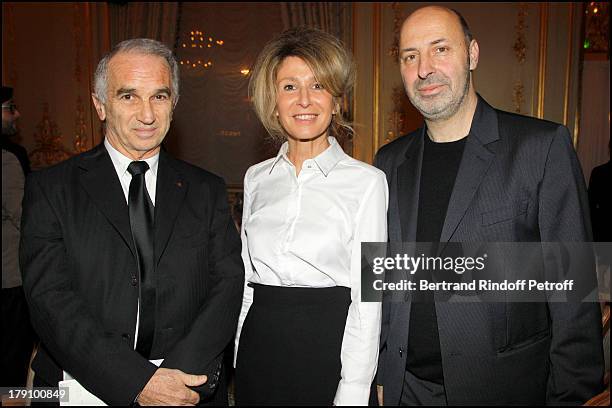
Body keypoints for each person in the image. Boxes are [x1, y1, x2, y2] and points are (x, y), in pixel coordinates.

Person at [374, 6, 604, 405]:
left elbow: (574, 293)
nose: (424, 68)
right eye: (410, 56)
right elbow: (385, 279)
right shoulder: (389, 161)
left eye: (440, 49)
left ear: (473, 54)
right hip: (404, 390)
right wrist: (378, 372)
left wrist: (570, 397)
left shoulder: (541, 147)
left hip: (503, 390)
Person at [19, 39, 244, 405]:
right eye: (128, 97)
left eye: (159, 96)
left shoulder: (207, 189)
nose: (147, 114)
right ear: (100, 105)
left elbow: (228, 285)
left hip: (185, 387)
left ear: (173, 103)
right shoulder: (51, 188)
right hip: (84, 387)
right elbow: (50, 301)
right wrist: (138, 382)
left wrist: (174, 382)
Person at [234, 27, 388, 405]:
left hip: (328, 352)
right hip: (260, 350)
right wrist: (240, 352)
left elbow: (369, 298)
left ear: (337, 101)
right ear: (273, 103)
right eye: (289, 87)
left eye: (318, 86)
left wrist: (353, 390)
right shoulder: (256, 178)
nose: (304, 100)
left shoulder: (367, 183)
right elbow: (246, 283)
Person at [2, 86, 35, 388]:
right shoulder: (8, 158)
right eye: (9, 108)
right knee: (13, 359)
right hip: (10, 278)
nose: (16, 114)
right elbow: (23, 216)